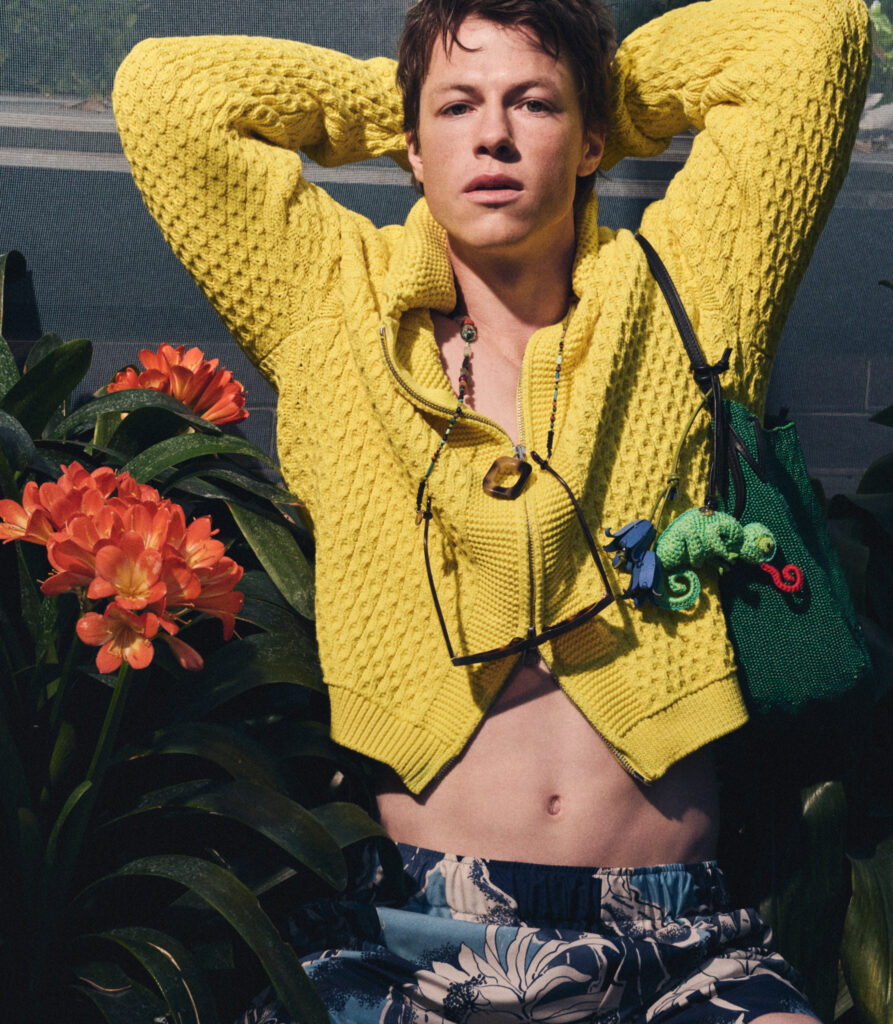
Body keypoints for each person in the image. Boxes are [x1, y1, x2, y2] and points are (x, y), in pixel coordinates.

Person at [112, 0, 870, 1020]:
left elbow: (814, 38)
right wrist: (406, 103)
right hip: (414, 937)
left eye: (533, 106)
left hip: (680, 942)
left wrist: (597, 89)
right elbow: (166, 94)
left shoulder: (687, 282)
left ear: (590, 137)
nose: (495, 135)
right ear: (412, 146)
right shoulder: (331, 304)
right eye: (459, 109)